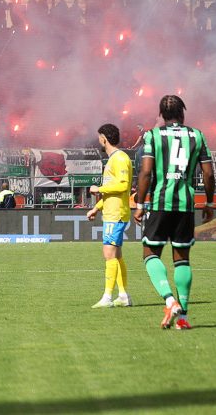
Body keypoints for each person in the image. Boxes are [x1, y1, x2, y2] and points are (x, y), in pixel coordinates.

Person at [133, 94, 214, 330]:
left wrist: (139, 204)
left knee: (150, 253)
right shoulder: (197, 135)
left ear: (161, 115)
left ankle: (169, 300)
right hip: (185, 205)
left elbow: (146, 173)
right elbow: (208, 174)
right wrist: (209, 203)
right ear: (182, 113)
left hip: (160, 203)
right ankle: (183, 319)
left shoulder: (153, 136)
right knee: (182, 259)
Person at [86, 123, 133, 309]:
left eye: (99, 137)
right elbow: (113, 192)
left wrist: (99, 189)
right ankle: (123, 296)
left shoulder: (120, 158)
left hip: (116, 214)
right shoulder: (113, 159)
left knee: (109, 254)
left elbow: (122, 185)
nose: (99, 140)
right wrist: (97, 207)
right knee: (117, 255)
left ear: (104, 138)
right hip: (111, 212)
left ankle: (107, 297)